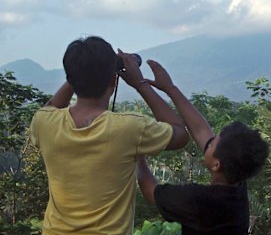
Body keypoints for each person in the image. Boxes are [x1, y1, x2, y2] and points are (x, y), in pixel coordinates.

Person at [29, 36, 189, 235]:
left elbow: (51, 107)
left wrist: (79, 73)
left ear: (70, 78)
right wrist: (140, 83)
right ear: (114, 81)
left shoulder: (44, 122)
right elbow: (180, 134)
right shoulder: (130, 127)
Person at [136, 60, 269, 235]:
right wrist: (170, 88)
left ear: (216, 164)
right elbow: (199, 129)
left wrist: (136, 149)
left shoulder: (199, 200)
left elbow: (149, 190)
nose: (209, 140)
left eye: (213, 142)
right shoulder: (236, 184)